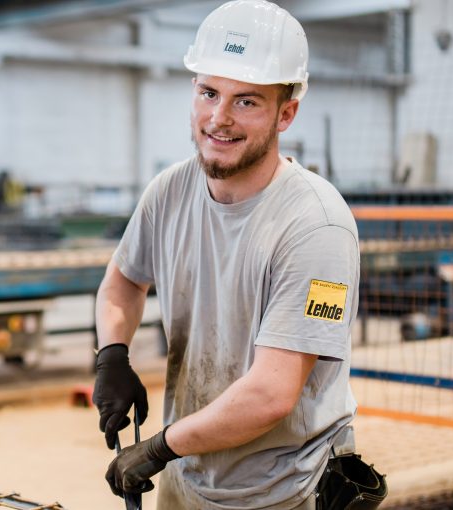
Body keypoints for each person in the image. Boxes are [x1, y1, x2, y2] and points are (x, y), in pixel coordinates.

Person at [92, 1, 363, 509]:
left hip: (283, 490)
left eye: (246, 102)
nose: (218, 118)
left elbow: (271, 395)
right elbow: (123, 282)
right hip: (186, 474)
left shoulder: (315, 226)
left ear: (287, 112)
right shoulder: (169, 191)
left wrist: (157, 447)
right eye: (209, 92)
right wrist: (112, 356)